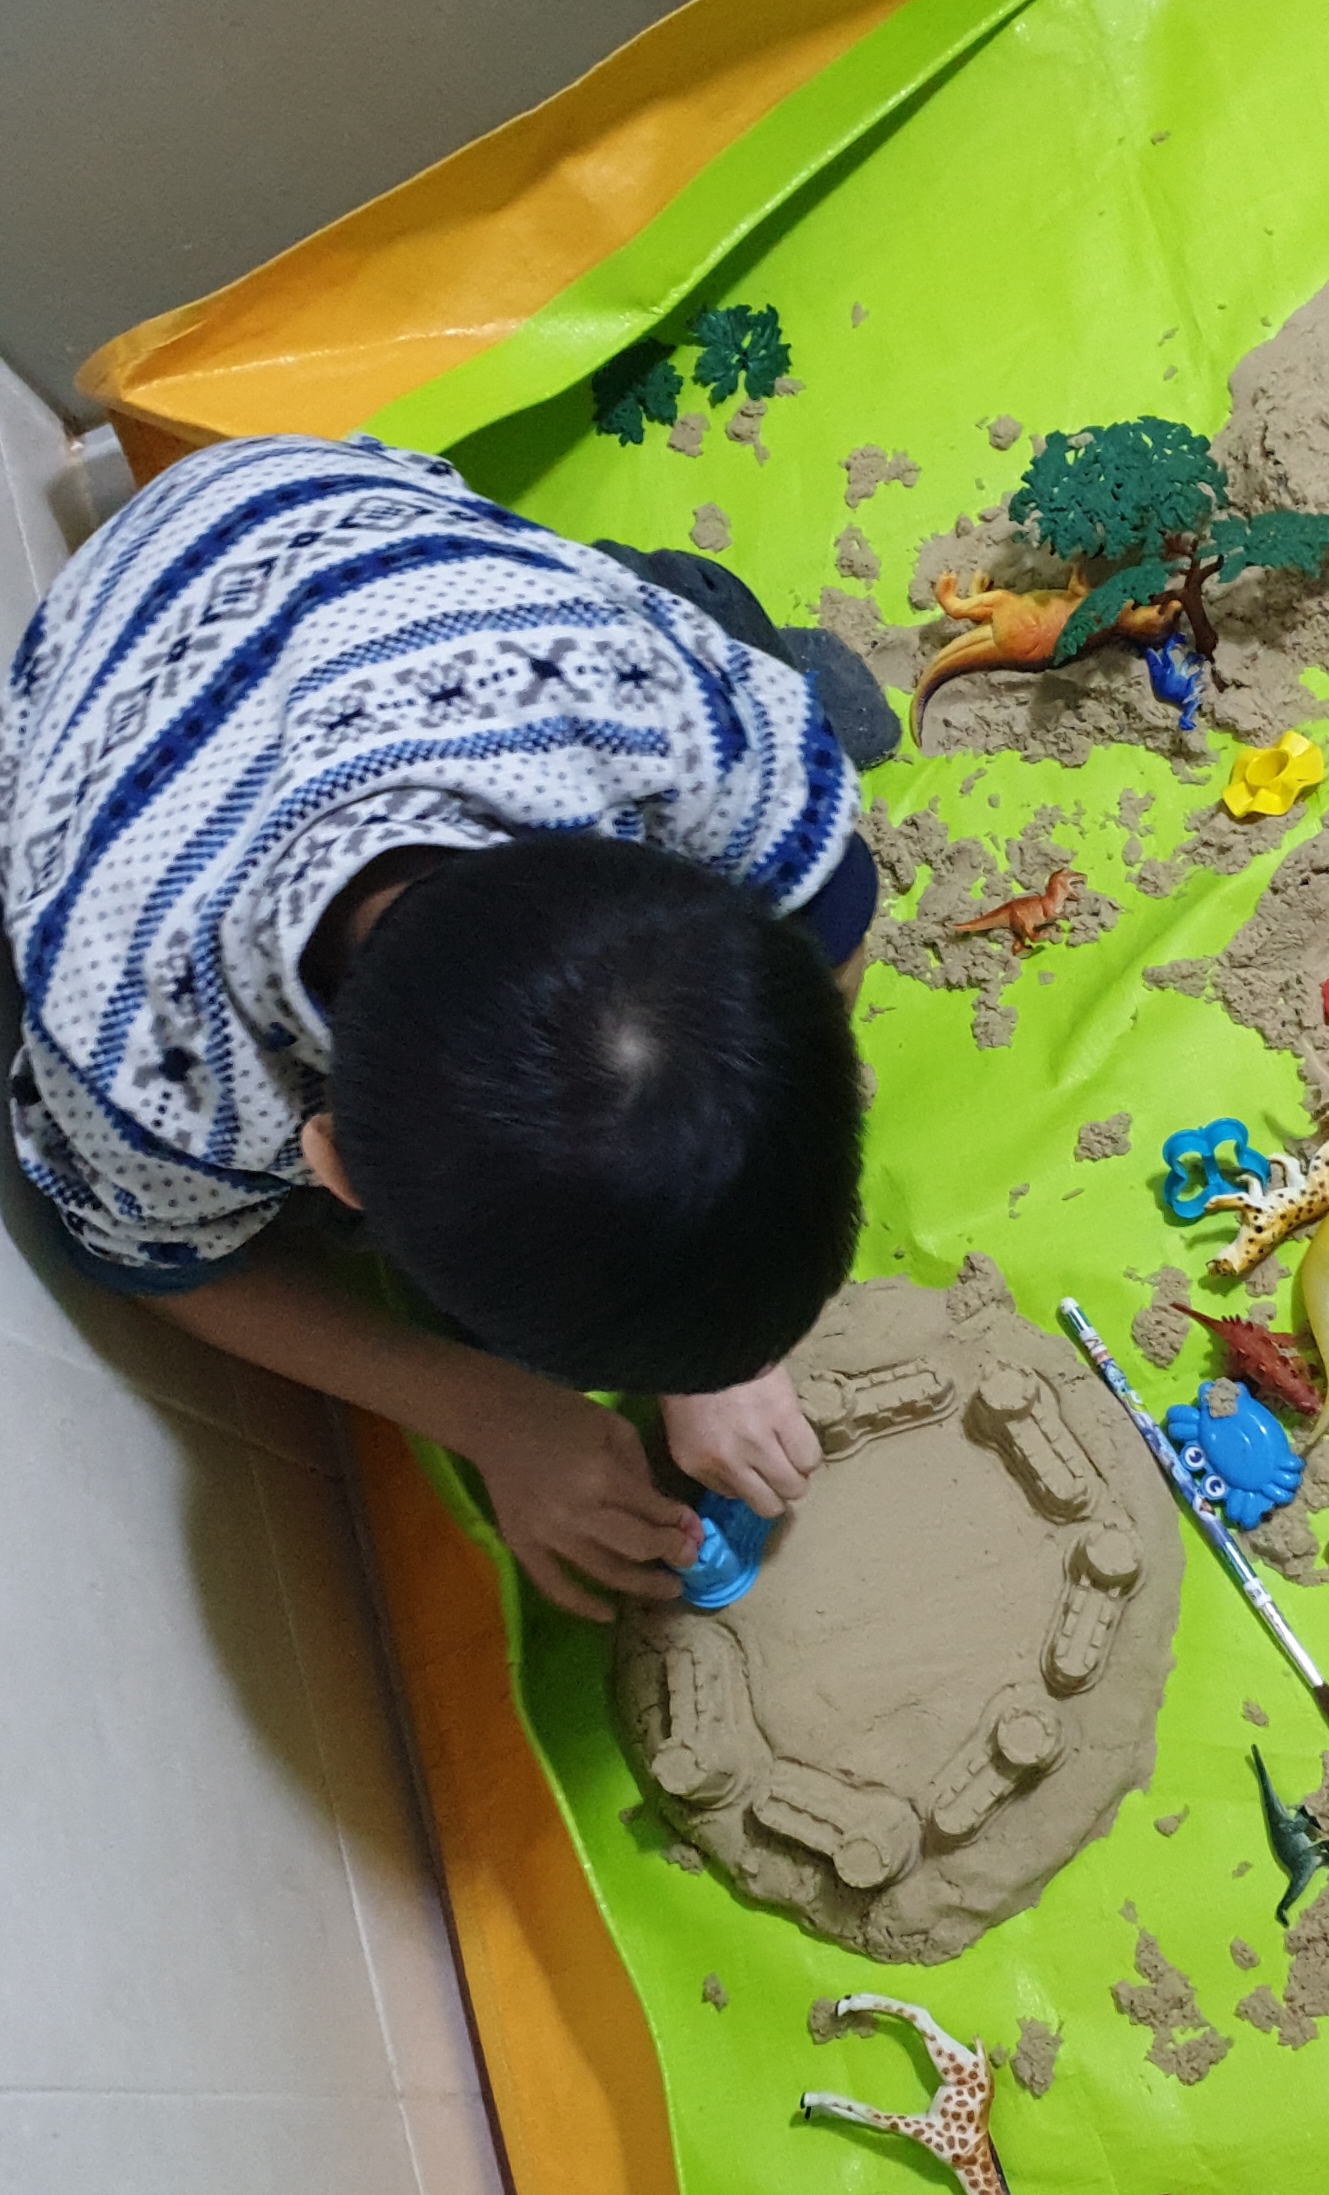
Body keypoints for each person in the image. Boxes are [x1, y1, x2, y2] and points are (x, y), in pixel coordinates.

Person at [2, 430, 890, 1617]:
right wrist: (489, 1410)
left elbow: (830, 903)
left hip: (343, 529)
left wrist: (722, 1324)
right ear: (328, 1158)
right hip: (117, 681)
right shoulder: (146, 1075)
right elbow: (150, 1259)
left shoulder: (639, 699)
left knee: (759, 671)